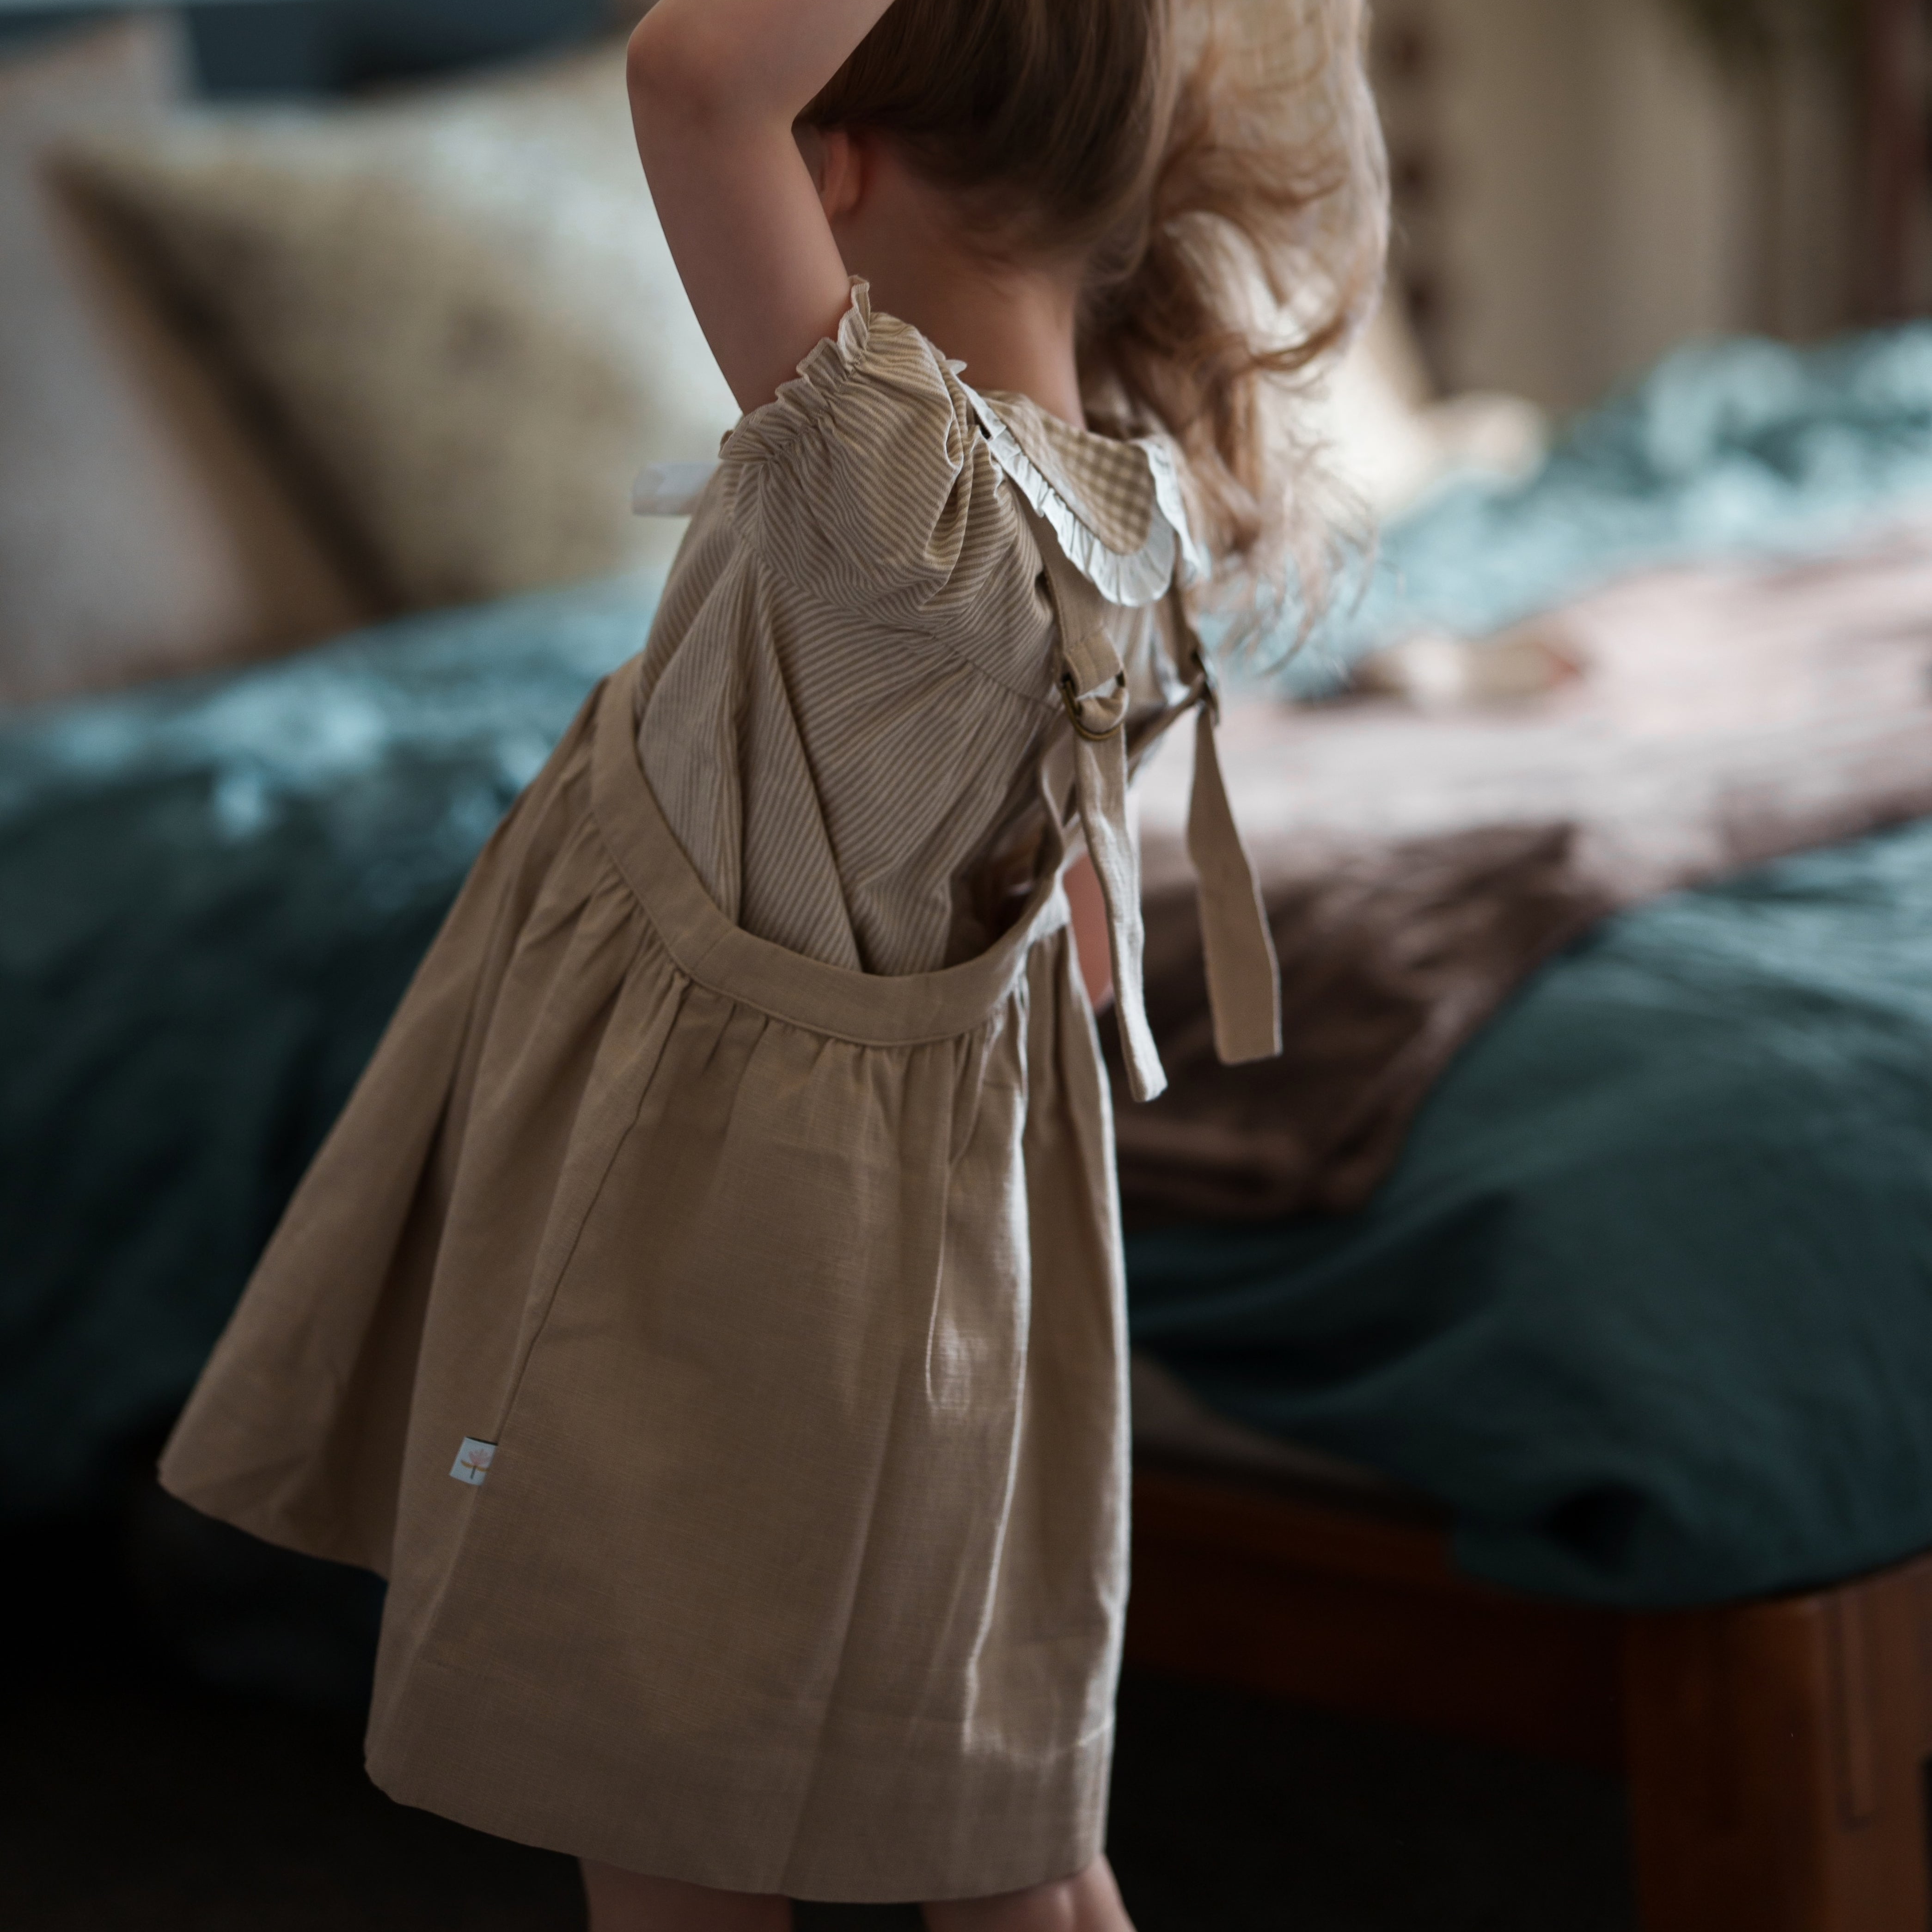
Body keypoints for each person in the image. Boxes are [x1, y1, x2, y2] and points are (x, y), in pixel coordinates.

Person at [156, 1, 1386, 1926]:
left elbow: (682, 73)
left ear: (834, 162)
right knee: (1008, 1850)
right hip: (950, 1234)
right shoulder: (1118, 524)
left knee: (669, 1811)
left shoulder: (891, 489)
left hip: (702, 1229)